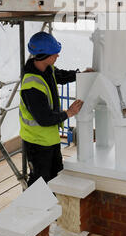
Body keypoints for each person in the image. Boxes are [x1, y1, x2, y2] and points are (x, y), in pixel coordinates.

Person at [19, 31, 92, 186]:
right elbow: (44, 119)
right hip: (37, 142)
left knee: (56, 176)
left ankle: (54, 208)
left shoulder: (47, 69)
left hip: (49, 138)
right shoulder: (31, 86)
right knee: (40, 182)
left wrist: (80, 74)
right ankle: (36, 209)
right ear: (43, 56)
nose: (57, 56)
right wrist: (69, 112)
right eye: (55, 53)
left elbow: (61, 75)